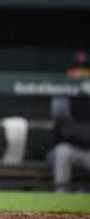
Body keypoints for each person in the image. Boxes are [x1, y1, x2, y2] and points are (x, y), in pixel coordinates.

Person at [51, 51, 90, 191]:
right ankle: (61, 194)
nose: (81, 74)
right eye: (77, 70)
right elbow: (58, 119)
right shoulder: (63, 94)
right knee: (62, 151)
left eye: (85, 70)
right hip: (70, 148)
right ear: (70, 72)